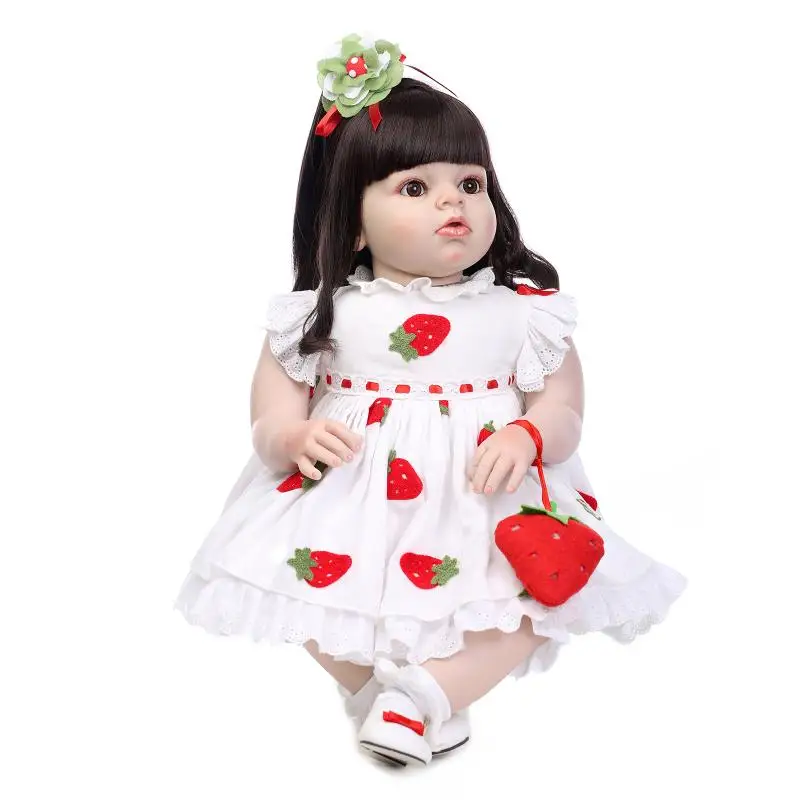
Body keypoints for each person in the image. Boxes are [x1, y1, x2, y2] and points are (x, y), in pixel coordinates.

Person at [174, 33, 687, 768]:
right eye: (415, 188)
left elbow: (565, 408)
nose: (454, 201)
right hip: (350, 492)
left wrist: (531, 435)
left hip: (486, 492)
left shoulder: (525, 313)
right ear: (352, 221)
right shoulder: (319, 313)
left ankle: (420, 696)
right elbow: (271, 411)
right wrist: (288, 438)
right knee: (291, 577)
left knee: (533, 596)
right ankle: (401, 700)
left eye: (470, 183)